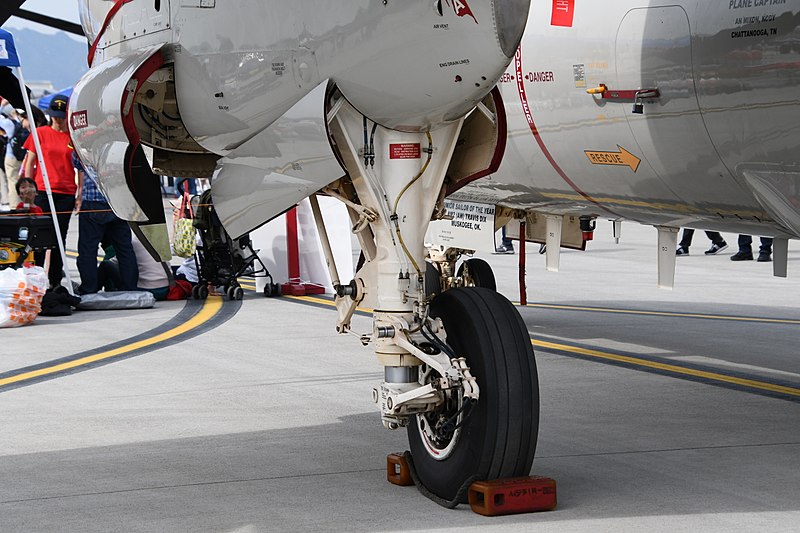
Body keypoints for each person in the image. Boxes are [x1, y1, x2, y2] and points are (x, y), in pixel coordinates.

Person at [22, 94, 77, 289]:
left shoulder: (72, 136)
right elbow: (29, 162)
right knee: (38, 236)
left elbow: (79, 167)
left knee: (58, 238)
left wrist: (79, 195)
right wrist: (28, 189)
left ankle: (54, 280)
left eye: (61, 116)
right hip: (43, 192)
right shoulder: (40, 133)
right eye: (55, 116)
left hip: (66, 193)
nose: (58, 120)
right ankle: (36, 278)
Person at [74, 153, 139, 294]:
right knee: (124, 248)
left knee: (88, 249)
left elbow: (77, 163)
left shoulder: (84, 144)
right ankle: (130, 287)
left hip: (93, 201)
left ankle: (89, 288)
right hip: (118, 200)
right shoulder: (118, 141)